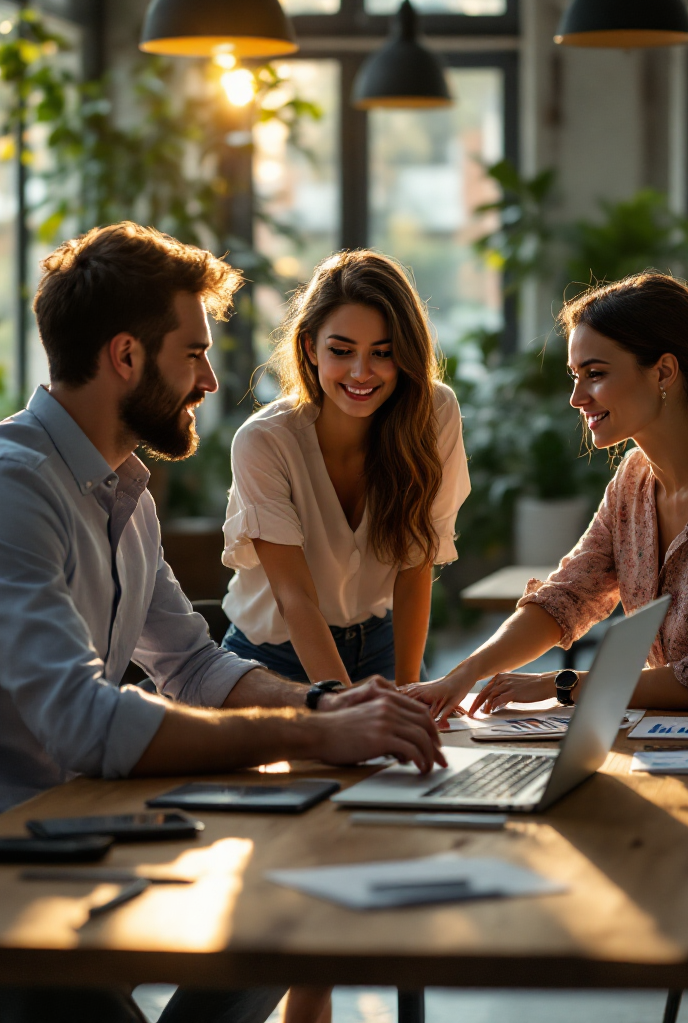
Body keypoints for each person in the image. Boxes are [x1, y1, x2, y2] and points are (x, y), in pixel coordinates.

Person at [0, 222, 444, 1023]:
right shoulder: (5, 488)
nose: (208, 381)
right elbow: (84, 721)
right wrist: (306, 735)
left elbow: (193, 667)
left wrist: (325, 705)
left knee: (280, 905)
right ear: (126, 357)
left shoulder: (122, 491)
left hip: (60, 822)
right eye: (192, 354)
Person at [407, 272, 688, 723]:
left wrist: (562, 684)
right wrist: (461, 675)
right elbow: (566, 597)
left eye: (595, 374)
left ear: (663, 372)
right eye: (575, 376)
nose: (576, 398)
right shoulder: (633, 479)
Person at [218, 252, 469, 1023]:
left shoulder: (433, 413)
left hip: (375, 644)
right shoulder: (266, 441)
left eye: (383, 352)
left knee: (390, 854)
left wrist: (409, 686)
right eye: (341, 350)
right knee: (299, 880)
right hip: (275, 662)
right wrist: (347, 707)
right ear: (309, 350)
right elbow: (294, 595)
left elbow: (418, 566)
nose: (363, 372)